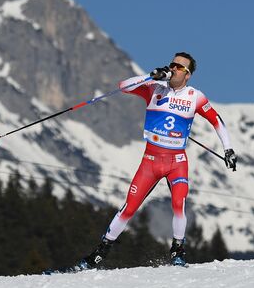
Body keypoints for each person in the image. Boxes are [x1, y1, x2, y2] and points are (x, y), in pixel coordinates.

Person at [76, 52, 237, 269]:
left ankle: (177, 251)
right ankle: (99, 253)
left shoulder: (194, 96)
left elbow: (216, 120)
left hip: (176, 162)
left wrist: (228, 149)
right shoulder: (155, 89)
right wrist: (151, 76)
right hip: (150, 162)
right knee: (129, 208)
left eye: (180, 67)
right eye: (172, 65)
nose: (174, 69)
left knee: (179, 205)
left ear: (188, 75)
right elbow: (124, 85)